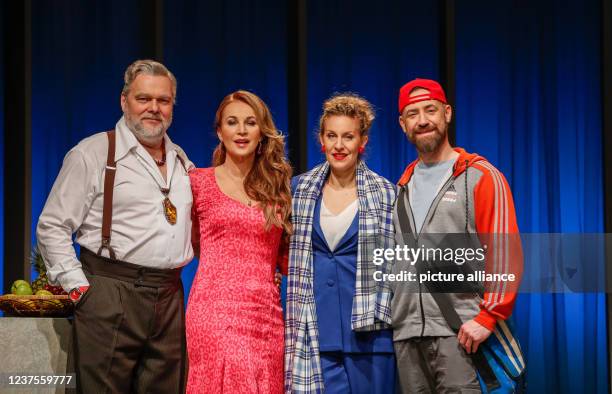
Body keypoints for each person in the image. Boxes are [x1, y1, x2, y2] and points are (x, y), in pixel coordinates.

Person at [36, 60, 194, 393]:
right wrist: (80, 290)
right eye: (143, 98)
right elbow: (52, 226)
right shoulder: (92, 153)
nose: (154, 108)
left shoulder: (181, 159)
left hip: (169, 296)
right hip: (110, 290)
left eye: (163, 101)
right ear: (125, 101)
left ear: (172, 107)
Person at [392, 78, 524, 393]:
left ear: (447, 113)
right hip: (408, 339)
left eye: (430, 110)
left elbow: (504, 251)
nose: (422, 120)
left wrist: (488, 316)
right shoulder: (400, 188)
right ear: (402, 123)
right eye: (412, 114)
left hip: (462, 336)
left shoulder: (481, 177)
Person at [285, 94, 397, 393]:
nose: (339, 145)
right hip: (316, 336)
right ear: (321, 140)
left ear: (362, 141)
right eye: (331, 136)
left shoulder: (388, 195)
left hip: (372, 340)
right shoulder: (298, 190)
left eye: (348, 136)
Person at [186, 90, 292, 394]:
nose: (242, 130)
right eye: (232, 122)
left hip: (265, 316)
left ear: (262, 132)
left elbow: (284, 256)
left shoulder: (278, 190)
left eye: (250, 122)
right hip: (214, 313)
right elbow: (187, 243)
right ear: (220, 131)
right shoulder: (198, 182)